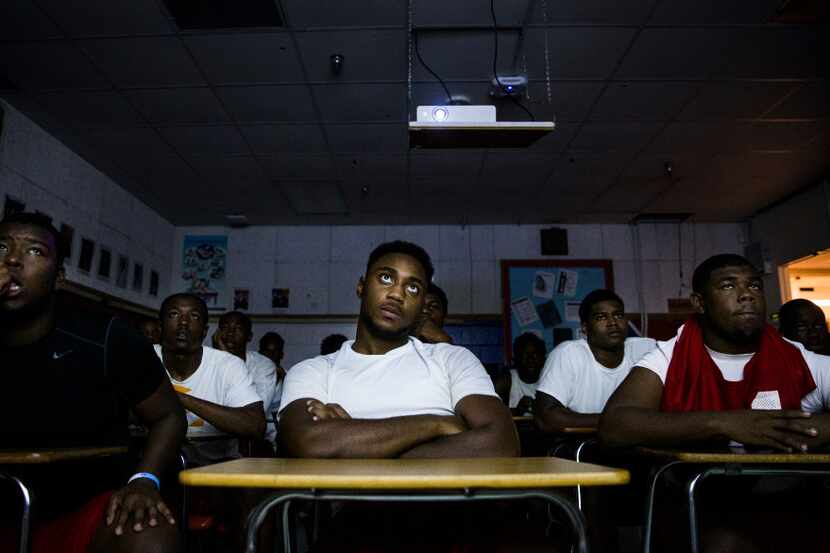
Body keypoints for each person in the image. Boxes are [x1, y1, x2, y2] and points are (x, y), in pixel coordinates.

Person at [279, 240, 525, 551]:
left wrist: (353, 443)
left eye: (412, 288)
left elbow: (501, 444)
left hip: (455, 519)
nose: (396, 293)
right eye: (386, 278)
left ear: (423, 306)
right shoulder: (314, 370)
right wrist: (436, 424)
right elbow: (306, 442)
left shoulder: (452, 359)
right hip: (355, 523)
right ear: (360, 286)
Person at [601, 254, 830, 553]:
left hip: (786, 501)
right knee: (724, 542)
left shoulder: (799, 358)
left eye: (754, 285)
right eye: (728, 286)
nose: (746, 294)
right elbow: (615, 425)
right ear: (699, 303)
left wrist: (812, 427)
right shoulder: (669, 356)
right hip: (700, 503)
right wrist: (725, 423)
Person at [0, 212, 186, 553]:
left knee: (148, 535)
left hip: (83, 507)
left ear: (58, 277)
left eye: (34, 251)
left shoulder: (107, 337)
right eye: (2, 248)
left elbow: (168, 416)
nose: (11, 259)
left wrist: (144, 480)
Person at [155, 294, 265, 466]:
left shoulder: (228, 365)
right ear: (160, 327)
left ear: (205, 331)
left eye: (194, 316)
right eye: (174, 314)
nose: (183, 322)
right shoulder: (143, 357)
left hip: (217, 465)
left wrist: (179, 397)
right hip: (156, 464)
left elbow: (255, 425)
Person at [535, 290, 656, 432]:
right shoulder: (568, 354)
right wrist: (617, 421)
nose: (612, 323)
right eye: (601, 317)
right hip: (579, 446)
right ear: (585, 328)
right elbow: (546, 416)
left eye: (618, 315)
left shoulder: (646, 348)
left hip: (635, 444)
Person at [494, 332, 547, 415]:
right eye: (526, 355)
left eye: (535, 355)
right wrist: (516, 411)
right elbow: (488, 413)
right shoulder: (506, 380)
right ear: (516, 359)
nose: (530, 360)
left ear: (543, 359)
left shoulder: (549, 380)